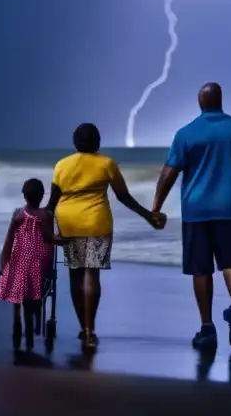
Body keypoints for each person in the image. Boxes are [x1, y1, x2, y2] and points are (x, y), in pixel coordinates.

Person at [151, 82, 231, 350]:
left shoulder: (187, 132)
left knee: (201, 269)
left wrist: (156, 206)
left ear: (200, 102)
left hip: (196, 211)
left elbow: (169, 172)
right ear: (221, 100)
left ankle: (207, 328)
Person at [47, 122, 165, 350]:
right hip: (95, 222)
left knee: (75, 274)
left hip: (68, 223)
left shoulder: (61, 165)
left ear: (75, 142)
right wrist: (148, 215)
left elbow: (52, 202)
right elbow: (124, 196)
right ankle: (91, 330)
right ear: (98, 142)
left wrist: (40, 226)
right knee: (92, 273)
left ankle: (83, 327)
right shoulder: (106, 163)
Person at [0, 177, 65, 350]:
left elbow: (9, 238)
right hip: (38, 265)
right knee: (33, 296)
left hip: (19, 262)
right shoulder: (45, 216)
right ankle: (32, 330)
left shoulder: (18, 213)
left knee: (19, 296)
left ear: (24, 196)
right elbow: (49, 238)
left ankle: (17, 325)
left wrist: (4, 264)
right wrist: (65, 240)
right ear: (42, 196)